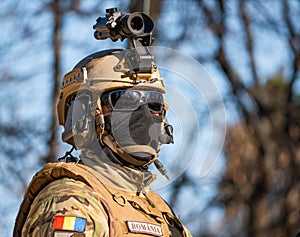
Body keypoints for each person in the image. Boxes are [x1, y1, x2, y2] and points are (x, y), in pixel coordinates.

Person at [14, 9, 192, 237]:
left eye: (154, 104)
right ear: (84, 114)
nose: (145, 114)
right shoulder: (72, 200)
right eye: (126, 100)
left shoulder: (160, 212)